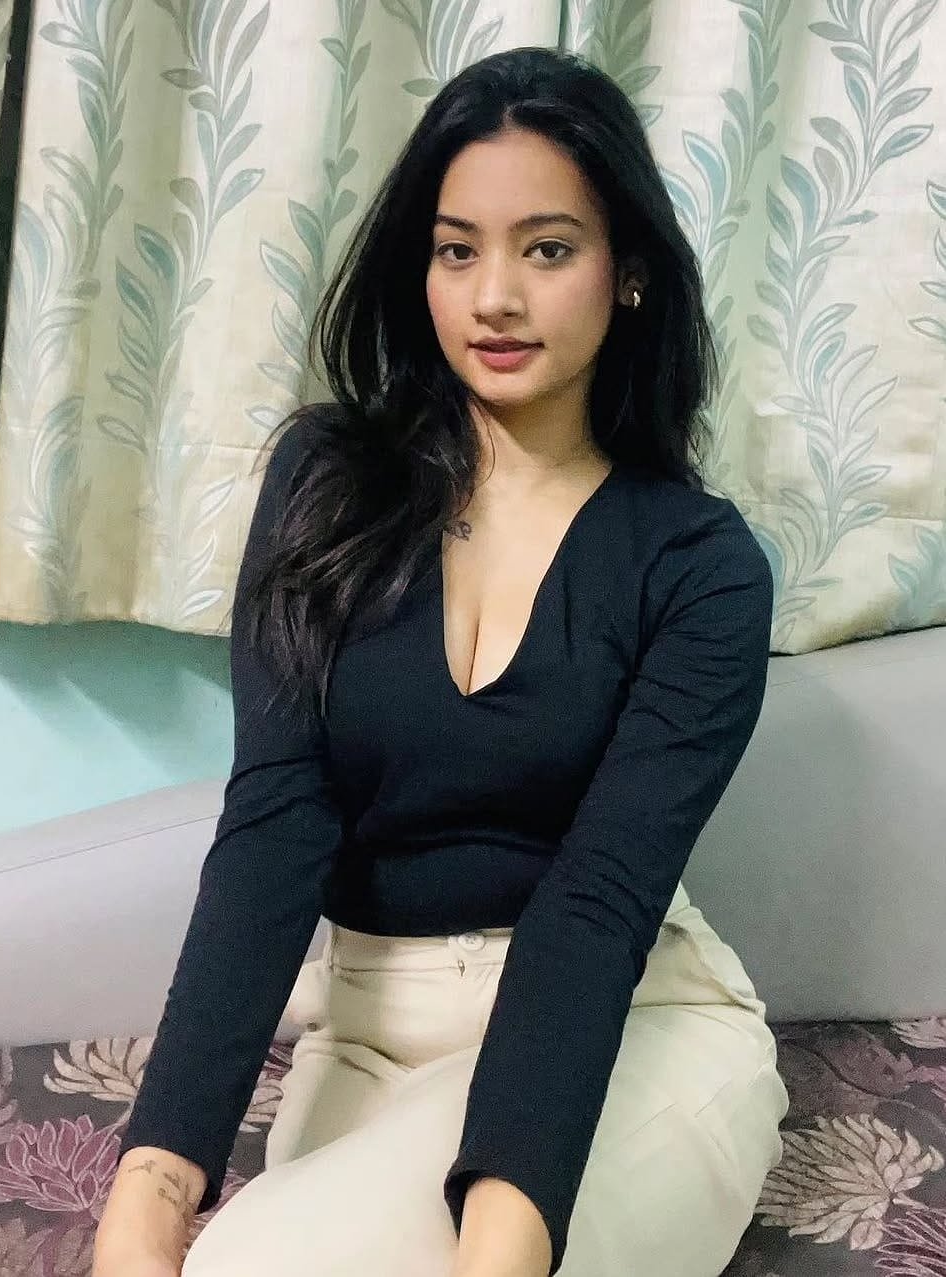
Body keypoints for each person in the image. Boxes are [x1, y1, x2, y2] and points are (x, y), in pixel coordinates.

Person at [91, 45, 789, 1277]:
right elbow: (273, 823)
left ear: (628, 271)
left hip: (628, 1022)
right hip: (365, 1027)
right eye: (456, 250)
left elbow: (598, 902)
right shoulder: (325, 481)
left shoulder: (698, 563)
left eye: (548, 249)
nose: (493, 297)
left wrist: (497, 1254)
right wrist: (147, 1196)